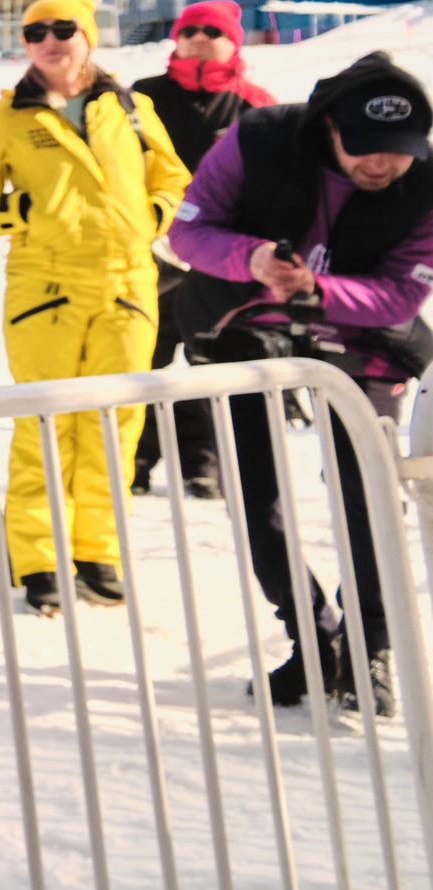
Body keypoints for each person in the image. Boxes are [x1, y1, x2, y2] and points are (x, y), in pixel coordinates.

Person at [165, 51, 433, 715]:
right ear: (329, 127)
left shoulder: (426, 182)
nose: (382, 164)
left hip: (362, 336)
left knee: (367, 491)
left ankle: (371, 646)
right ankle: (312, 637)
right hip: (240, 320)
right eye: (365, 145)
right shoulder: (259, 137)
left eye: (398, 149)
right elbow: (188, 231)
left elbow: (402, 293)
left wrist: (320, 288)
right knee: (257, 496)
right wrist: (251, 257)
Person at [0, 0, 188, 615]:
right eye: (36, 33)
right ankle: (39, 559)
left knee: (115, 423)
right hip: (45, 290)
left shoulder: (131, 107)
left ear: (88, 37)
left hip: (127, 288)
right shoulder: (6, 117)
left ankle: (97, 551)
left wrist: (154, 214)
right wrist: (24, 211)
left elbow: (172, 176)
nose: (50, 41)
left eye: (64, 29)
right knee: (45, 422)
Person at [129, 0, 276, 498]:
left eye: (212, 32)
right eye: (189, 30)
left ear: (233, 41)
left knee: (209, 359)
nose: (198, 39)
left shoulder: (254, 104)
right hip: (149, 249)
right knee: (143, 357)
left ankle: (203, 461)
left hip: (222, 256)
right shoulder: (142, 97)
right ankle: (136, 457)